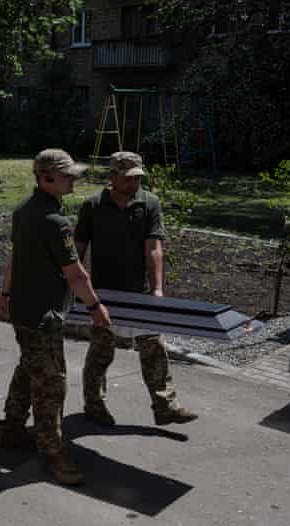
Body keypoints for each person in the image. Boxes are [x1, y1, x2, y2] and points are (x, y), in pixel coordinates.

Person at [0, 149, 110, 486]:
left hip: (23, 311)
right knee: (51, 386)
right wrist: (95, 307)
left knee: (29, 368)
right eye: (67, 175)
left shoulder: (24, 209)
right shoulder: (55, 221)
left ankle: (13, 428)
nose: (74, 179)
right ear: (46, 178)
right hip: (43, 316)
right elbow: (76, 274)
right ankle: (52, 453)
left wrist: (5, 293)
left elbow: (15, 258)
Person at [75, 151, 198, 427]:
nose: (134, 184)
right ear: (113, 176)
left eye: (138, 178)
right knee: (100, 351)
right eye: (128, 178)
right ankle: (94, 405)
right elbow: (78, 250)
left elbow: (154, 248)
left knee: (154, 347)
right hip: (104, 295)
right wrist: (76, 288)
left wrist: (157, 290)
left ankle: (165, 406)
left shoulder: (149, 203)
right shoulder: (93, 205)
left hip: (139, 293)